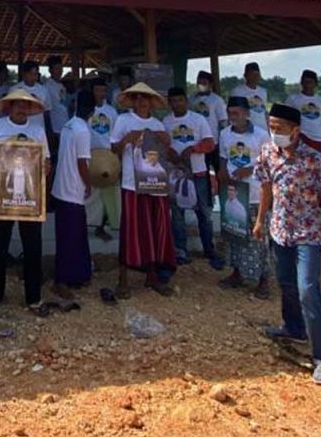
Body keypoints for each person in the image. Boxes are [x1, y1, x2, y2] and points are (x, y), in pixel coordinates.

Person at [253, 103, 321, 385]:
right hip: (279, 231)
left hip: (307, 234)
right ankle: (294, 327)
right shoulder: (268, 153)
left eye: (280, 128)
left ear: (296, 130)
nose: (275, 133)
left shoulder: (313, 160)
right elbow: (266, 187)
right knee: (285, 283)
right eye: (271, 127)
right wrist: (260, 220)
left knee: (308, 289)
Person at [0, 89, 51, 315]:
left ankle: (34, 298)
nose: (22, 108)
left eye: (26, 105)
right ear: (9, 106)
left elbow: (46, 160)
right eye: (17, 104)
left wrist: (46, 167)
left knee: (32, 247)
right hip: (2, 195)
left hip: (31, 197)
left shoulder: (38, 130)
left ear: (31, 108)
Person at [111, 83, 175, 296]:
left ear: (151, 102)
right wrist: (126, 140)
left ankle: (152, 275)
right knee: (130, 228)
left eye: (145, 98)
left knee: (155, 228)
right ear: (133, 100)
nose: (141, 102)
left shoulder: (158, 124)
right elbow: (114, 149)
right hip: (131, 183)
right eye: (137, 98)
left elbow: (166, 152)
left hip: (156, 182)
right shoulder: (124, 120)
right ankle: (123, 277)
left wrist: (166, 141)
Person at [217, 97, 273, 299]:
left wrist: (249, 169)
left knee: (259, 237)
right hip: (233, 191)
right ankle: (237, 273)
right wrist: (222, 172)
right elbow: (223, 156)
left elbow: (270, 161)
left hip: (255, 192)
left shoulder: (261, 135)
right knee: (235, 234)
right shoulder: (224, 134)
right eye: (230, 113)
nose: (233, 117)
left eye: (237, 113)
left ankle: (263, 280)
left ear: (247, 114)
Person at [164, 87, 223, 269]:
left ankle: (208, 248)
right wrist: (170, 152)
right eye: (173, 101)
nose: (177, 104)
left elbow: (210, 143)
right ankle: (181, 250)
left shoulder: (198, 119)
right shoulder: (166, 121)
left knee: (203, 211)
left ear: (186, 101)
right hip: (177, 173)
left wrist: (194, 149)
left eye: (180, 100)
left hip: (198, 172)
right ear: (169, 103)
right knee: (177, 213)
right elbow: (162, 144)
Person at [52, 89, 94, 297]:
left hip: (61, 188)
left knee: (70, 235)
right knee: (71, 237)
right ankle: (62, 280)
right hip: (72, 189)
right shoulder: (83, 130)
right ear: (93, 111)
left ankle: (78, 275)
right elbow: (82, 164)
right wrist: (89, 184)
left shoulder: (68, 125)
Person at [87, 77, 121, 241]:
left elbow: (115, 135)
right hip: (90, 155)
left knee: (109, 193)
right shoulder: (86, 110)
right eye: (97, 90)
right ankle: (89, 224)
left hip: (108, 155)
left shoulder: (112, 111)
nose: (101, 93)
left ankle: (103, 225)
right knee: (91, 193)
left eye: (103, 90)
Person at [190, 70, 228, 170]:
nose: (201, 85)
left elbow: (223, 121)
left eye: (204, 83)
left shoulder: (217, 100)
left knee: (219, 171)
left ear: (210, 84)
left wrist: (221, 142)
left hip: (214, 142)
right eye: (199, 82)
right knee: (202, 171)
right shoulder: (191, 99)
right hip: (198, 143)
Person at [286, 70, 321, 153]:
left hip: (318, 138)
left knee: (317, 163)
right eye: (305, 82)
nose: (307, 85)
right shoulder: (293, 99)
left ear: (315, 84)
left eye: (310, 82)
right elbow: (287, 119)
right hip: (300, 137)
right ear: (301, 83)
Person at [11, 60, 51, 130]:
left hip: (38, 129)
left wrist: (48, 131)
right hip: (20, 129)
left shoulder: (44, 90)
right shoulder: (14, 90)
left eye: (35, 74)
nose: (33, 77)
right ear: (24, 74)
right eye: (30, 74)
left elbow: (47, 111)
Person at [230, 61, 269, 131]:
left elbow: (264, 112)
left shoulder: (263, 91)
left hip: (263, 130)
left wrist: (269, 129)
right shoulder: (237, 91)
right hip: (247, 130)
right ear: (245, 76)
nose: (255, 77)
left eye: (257, 74)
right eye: (252, 74)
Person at [42, 55, 71, 146]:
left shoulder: (61, 86)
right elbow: (46, 111)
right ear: (50, 70)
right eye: (57, 68)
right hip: (55, 128)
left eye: (61, 68)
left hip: (65, 125)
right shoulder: (47, 87)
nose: (60, 71)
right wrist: (49, 130)